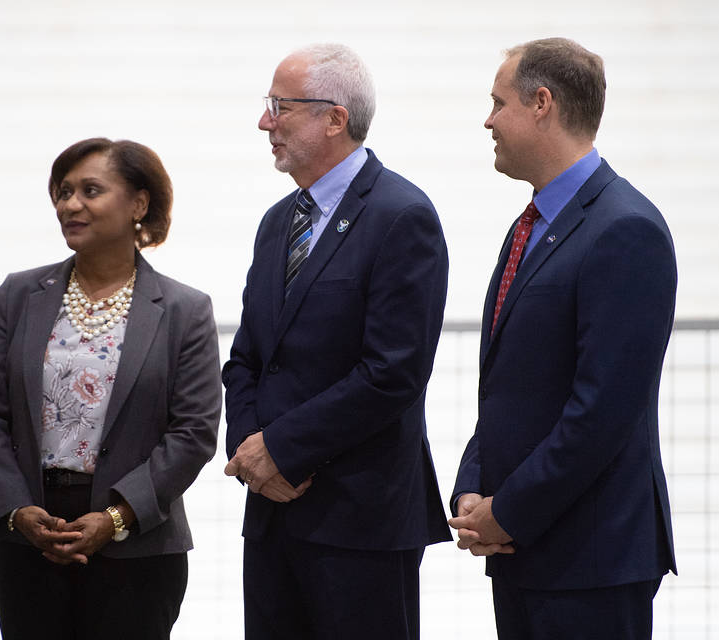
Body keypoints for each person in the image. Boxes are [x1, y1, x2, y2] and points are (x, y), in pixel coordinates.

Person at [448, 38, 678, 640]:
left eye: (499, 103)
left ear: (541, 103)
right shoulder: (531, 226)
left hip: (591, 562)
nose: (488, 120)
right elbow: (508, 383)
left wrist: (508, 511)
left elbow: (599, 413)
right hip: (526, 551)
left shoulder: (625, 230)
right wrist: (475, 486)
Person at [222, 43, 451, 640]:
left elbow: (392, 373)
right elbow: (248, 358)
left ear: (334, 117)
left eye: (280, 107)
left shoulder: (402, 216)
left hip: (361, 523)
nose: (264, 122)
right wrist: (252, 455)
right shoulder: (278, 222)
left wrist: (282, 449)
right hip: (272, 512)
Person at [0, 137, 221, 639]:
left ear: (139, 205)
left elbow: (193, 433)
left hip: (137, 542)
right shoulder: (19, 295)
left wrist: (117, 517)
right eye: (63, 192)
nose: (70, 205)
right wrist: (17, 511)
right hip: (29, 537)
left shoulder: (184, 311)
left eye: (90, 190)